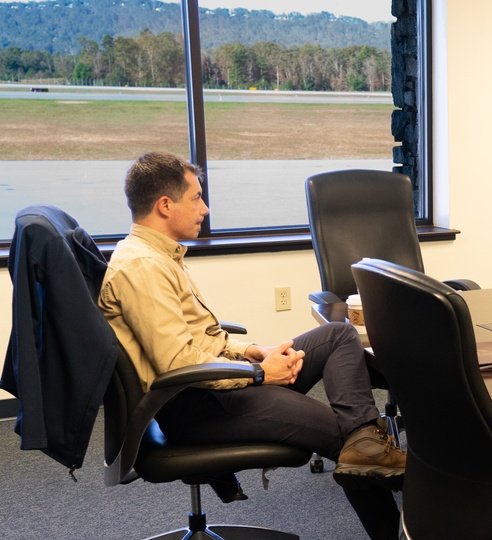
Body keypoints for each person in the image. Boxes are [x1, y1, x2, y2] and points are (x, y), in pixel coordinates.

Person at [97, 152, 403, 540]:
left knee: (338, 335)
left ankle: (367, 441)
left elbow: (196, 336)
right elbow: (177, 363)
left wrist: (249, 352)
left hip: (214, 386)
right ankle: (388, 516)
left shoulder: (159, 256)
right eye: (196, 198)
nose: (205, 208)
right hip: (198, 406)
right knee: (346, 441)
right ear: (164, 205)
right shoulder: (142, 267)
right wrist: (259, 375)